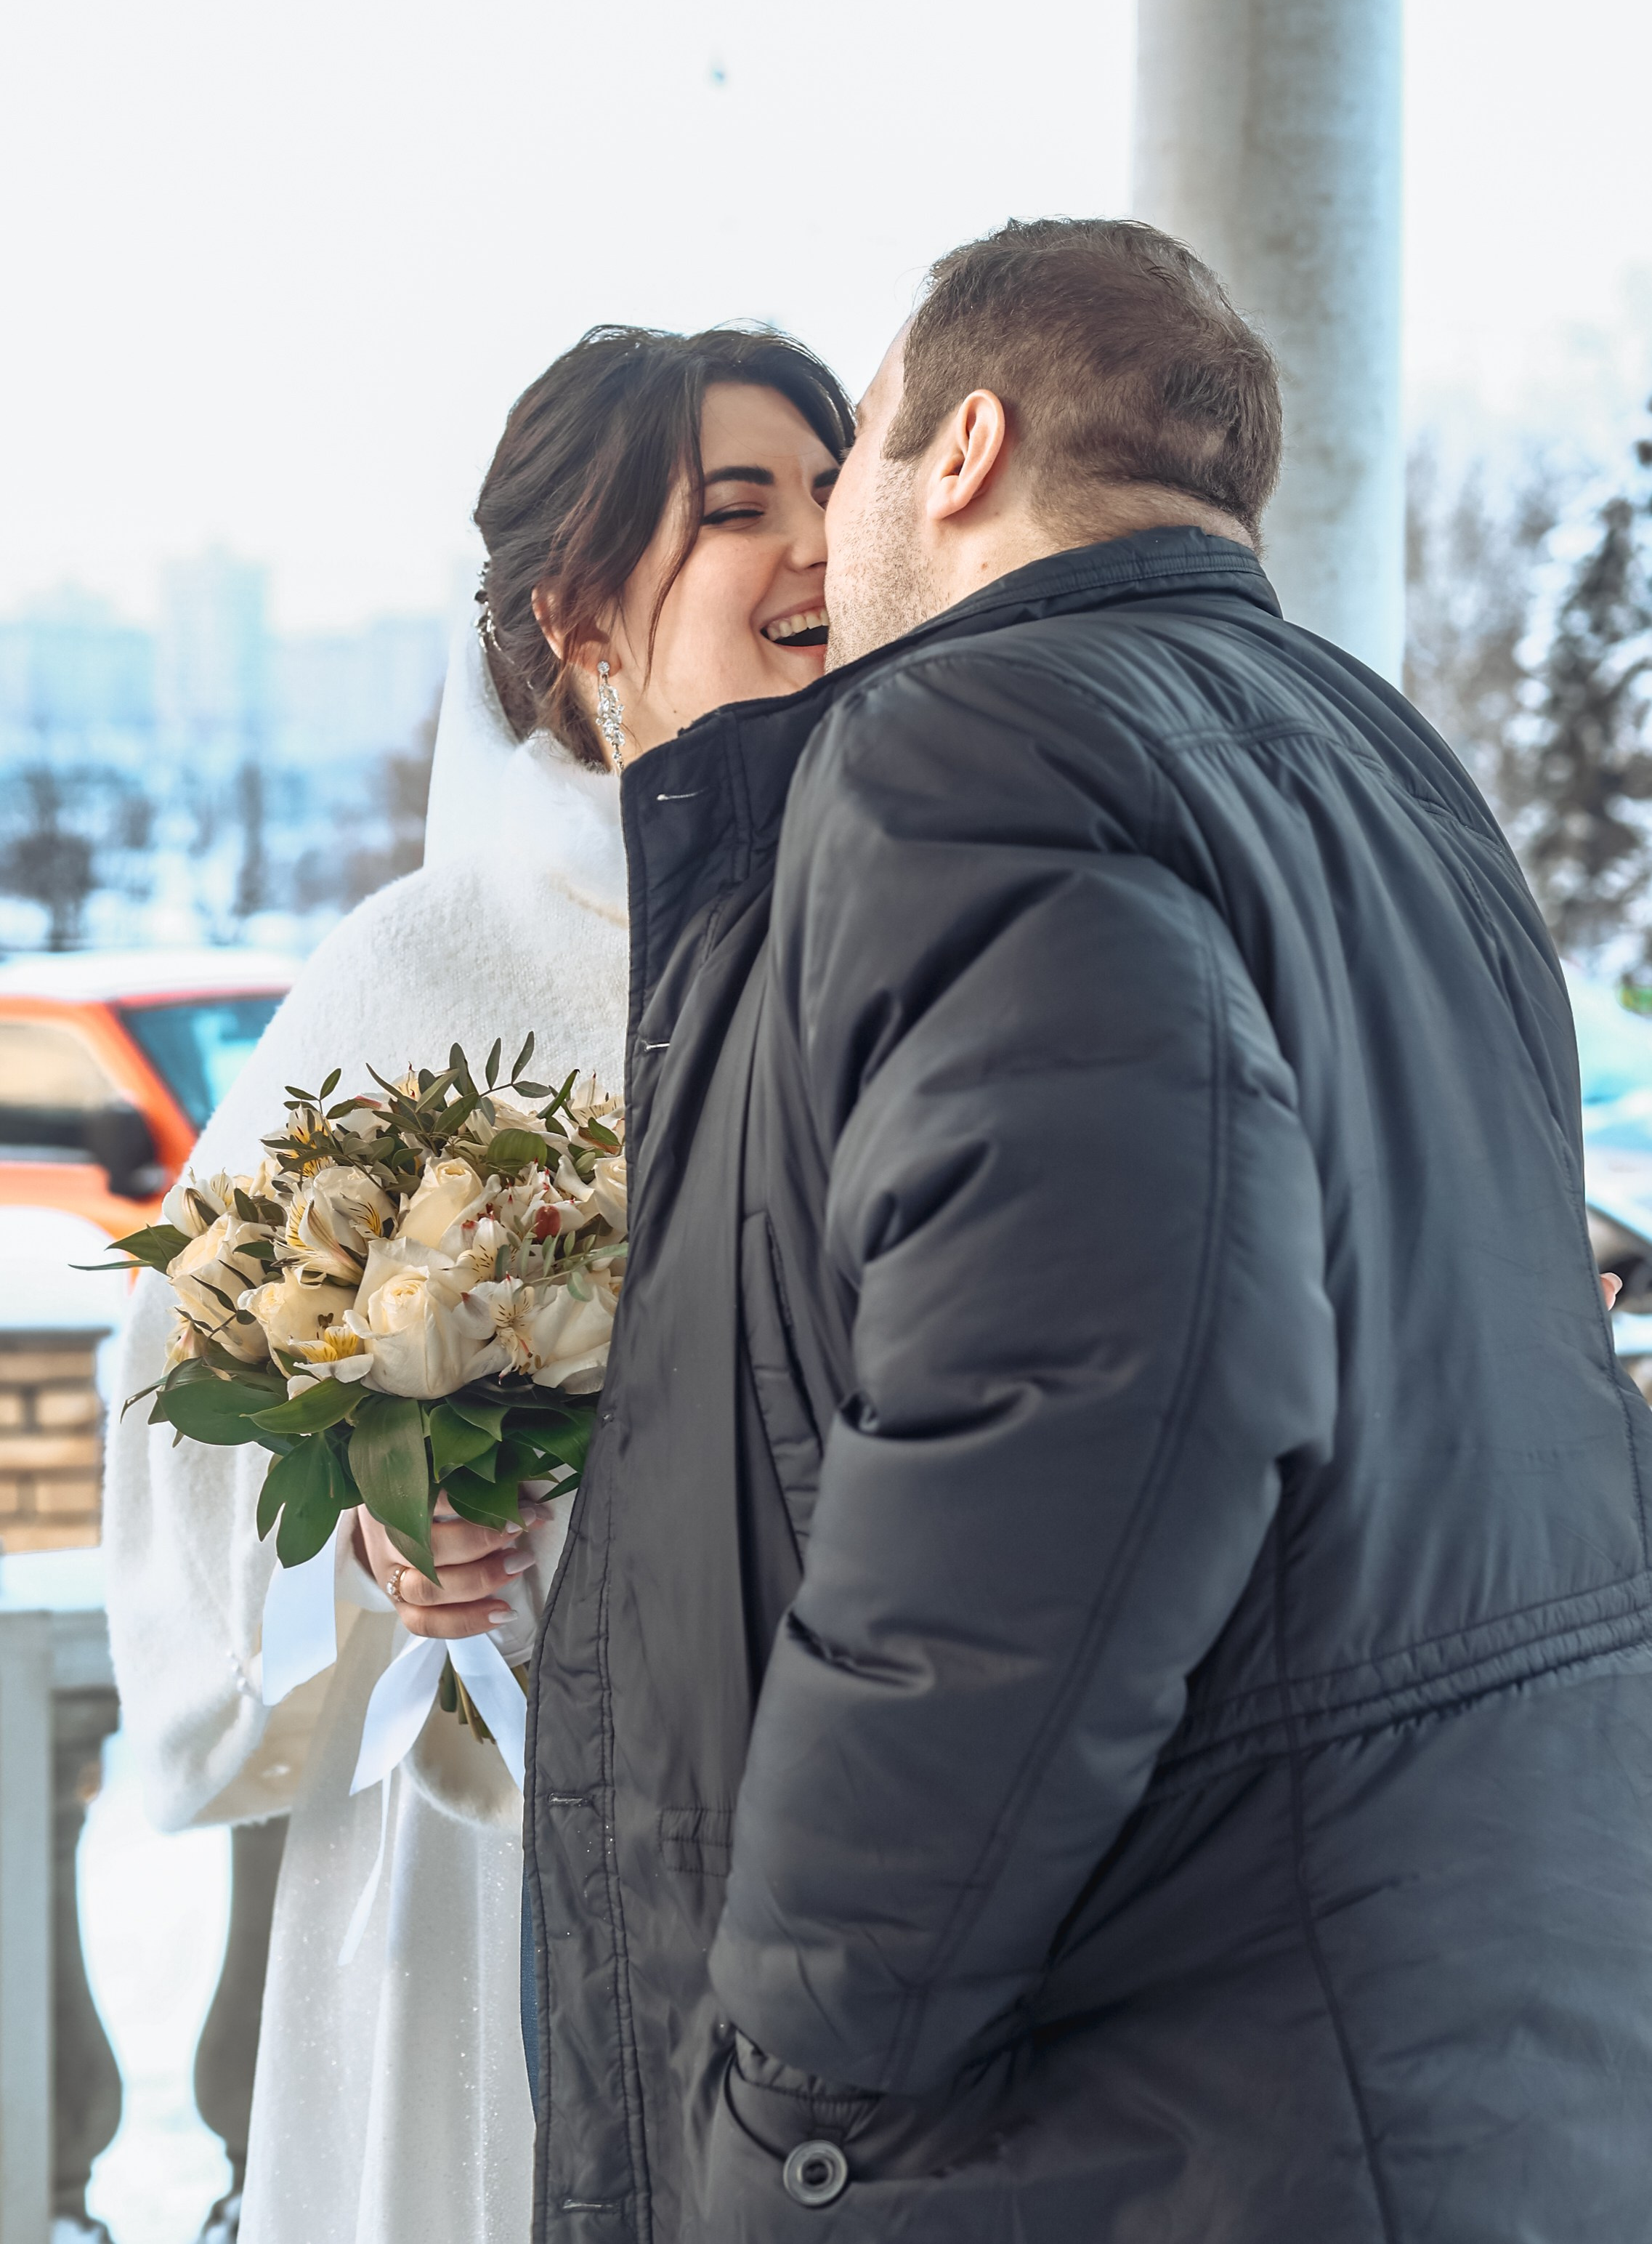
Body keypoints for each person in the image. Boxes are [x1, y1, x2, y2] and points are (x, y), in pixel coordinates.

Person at [524, 219, 1652, 2241]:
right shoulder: (1390, 775)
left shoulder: (957, 747)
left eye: (851, 451)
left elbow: (1076, 1407)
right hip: (1453, 2041)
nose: (830, 521)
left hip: (1135, 2110)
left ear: (956, 452)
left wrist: (798, 2059)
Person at [105, 322, 851, 2244]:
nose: (820, 548)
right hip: (488, 1866)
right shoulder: (419, 965)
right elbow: (182, 1352)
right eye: (741, 506)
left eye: (836, 491)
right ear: (578, 609)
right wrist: (362, 1531)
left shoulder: (903, 922)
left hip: (827, 1810)